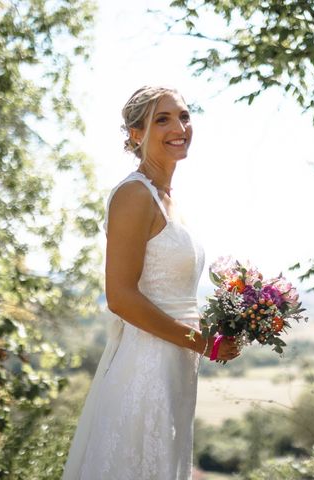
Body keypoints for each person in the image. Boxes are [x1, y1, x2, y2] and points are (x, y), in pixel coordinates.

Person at [62, 86, 239, 480]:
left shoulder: (170, 200)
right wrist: (203, 343)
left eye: (184, 116)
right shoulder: (133, 195)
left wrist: (222, 330)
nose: (179, 127)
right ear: (135, 134)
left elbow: (171, 294)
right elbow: (121, 297)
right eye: (163, 119)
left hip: (177, 368)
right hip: (145, 369)